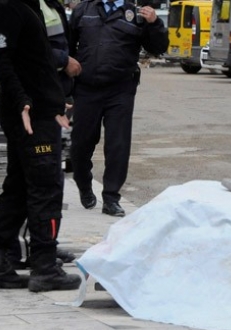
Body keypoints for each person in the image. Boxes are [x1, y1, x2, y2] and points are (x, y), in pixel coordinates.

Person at [0, 0, 82, 292]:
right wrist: (23, 102)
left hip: (39, 111)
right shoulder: (7, 7)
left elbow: (34, 64)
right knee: (45, 190)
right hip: (31, 117)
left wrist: (54, 99)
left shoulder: (27, 6)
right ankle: (44, 265)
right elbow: (1, 60)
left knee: (18, 188)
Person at [69, 0, 169, 217]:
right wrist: (65, 89)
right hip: (86, 89)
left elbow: (158, 48)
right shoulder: (83, 11)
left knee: (118, 146)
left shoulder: (136, 14)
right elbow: (67, 48)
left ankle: (111, 197)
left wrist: (155, 24)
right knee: (80, 144)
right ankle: (84, 185)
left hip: (120, 90)